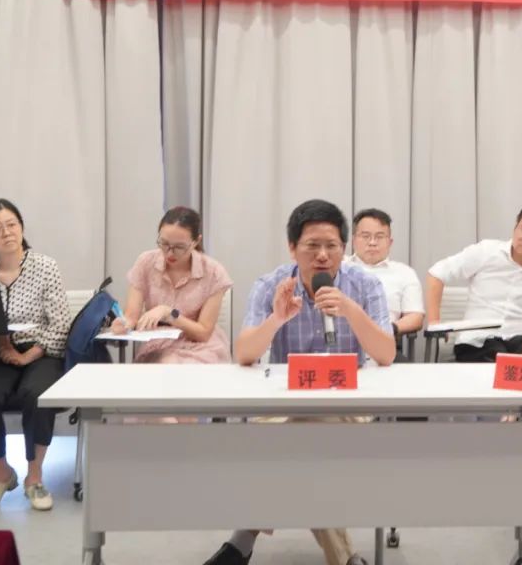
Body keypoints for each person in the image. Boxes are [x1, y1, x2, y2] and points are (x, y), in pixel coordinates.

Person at [205, 199, 394, 565]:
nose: (323, 255)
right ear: (292, 247)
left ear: (344, 247)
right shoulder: (272, 285)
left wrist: (350, 310)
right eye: (312, 246)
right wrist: (276, 319)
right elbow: (244, 353)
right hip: (282, 405)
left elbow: (386, 354)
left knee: (298, 440)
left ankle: (241, 541)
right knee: (306, 442)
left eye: (332, 246)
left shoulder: (365, 285)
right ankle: (345, 558)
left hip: (347, 407)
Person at [0, 199, 70, 512]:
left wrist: (28, 355)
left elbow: (61, 324)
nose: (7, 233)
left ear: (21, 227)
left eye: (12, 224)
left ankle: (34, 477)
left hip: (42, 352)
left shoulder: (45, 266)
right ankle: (1, 473)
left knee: (36, 395)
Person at [426, 202, 522, 362]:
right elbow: (436, 273)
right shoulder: (486, 251)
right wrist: (434, 322)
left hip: (521, 341)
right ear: (515, 226)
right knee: (497, 366)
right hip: (478, 339)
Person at [110, 206, 232, 363]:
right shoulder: (146, 263)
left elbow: (203, 333)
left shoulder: (214, 272)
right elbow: (131, 316)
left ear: (196, 241)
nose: (169, 253)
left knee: (181, 368)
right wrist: (123, 324)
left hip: (201, 347)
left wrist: (169, 313)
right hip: (158, 346)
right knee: (167, 363)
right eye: (164, 243)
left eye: (179, 247)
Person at [345, 208, 423, 357]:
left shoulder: (404, 273)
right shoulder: (339, 267)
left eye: (379, 237)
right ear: (354, 240)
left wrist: (389, 329)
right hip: (342, 346)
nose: (372, 243)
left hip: (383, 345)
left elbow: (415, 316)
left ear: (390, 242)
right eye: (365, 236)